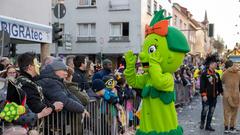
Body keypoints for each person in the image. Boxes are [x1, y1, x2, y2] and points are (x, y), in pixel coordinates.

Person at [200, 54, 223, 131]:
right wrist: (203, 95)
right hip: (206, 96)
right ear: (210, 64)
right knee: (205, 110)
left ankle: (208, 125)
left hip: (214, 97)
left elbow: (219, 84)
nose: (216, 64)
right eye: (214, 63)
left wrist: (221, 92)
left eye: (216, 63)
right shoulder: (204, 74)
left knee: (211, 111)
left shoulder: (216, 74)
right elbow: (202, 85)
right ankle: (202, 122)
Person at [222, 60, 240, 133]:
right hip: (236, 95)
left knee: (226, 111)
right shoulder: (239, 74)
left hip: (227, 95)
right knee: (234, 112)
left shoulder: (225, 73)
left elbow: (222, 81)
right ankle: (232, 127)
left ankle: (226, 127)